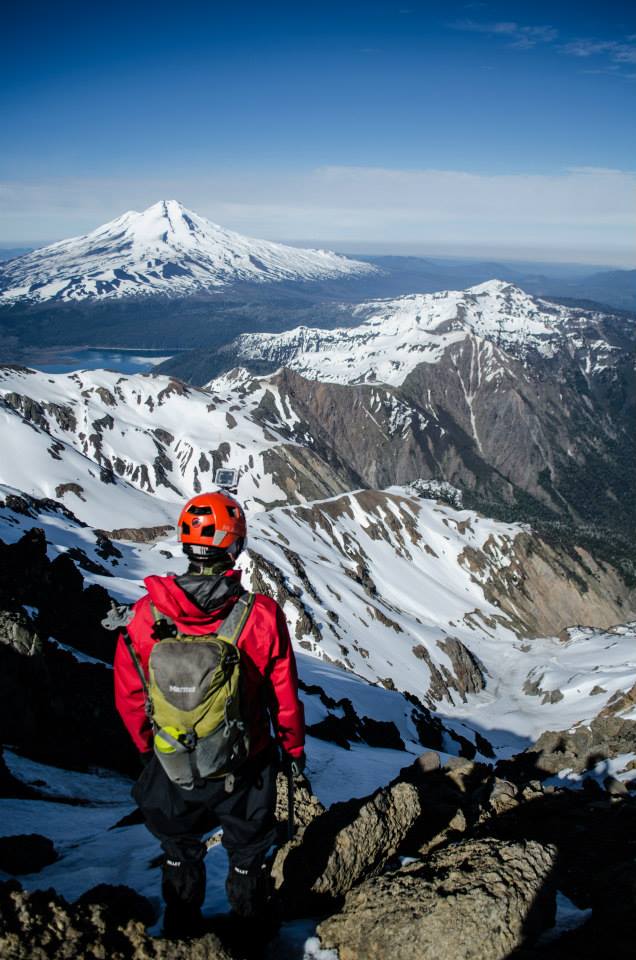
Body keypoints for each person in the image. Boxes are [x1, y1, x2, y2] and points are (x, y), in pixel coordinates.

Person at [113, 491, 305, 937]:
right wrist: (292, 749)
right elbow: (284, 696)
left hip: (172, 761)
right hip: (245, 764)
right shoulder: (260, 616)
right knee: (247, 855)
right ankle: (251, 936)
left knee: (179, 851)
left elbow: (129, 693)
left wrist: (151, 750)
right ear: (234, 546)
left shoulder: (145, 614)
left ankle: (181, 934)